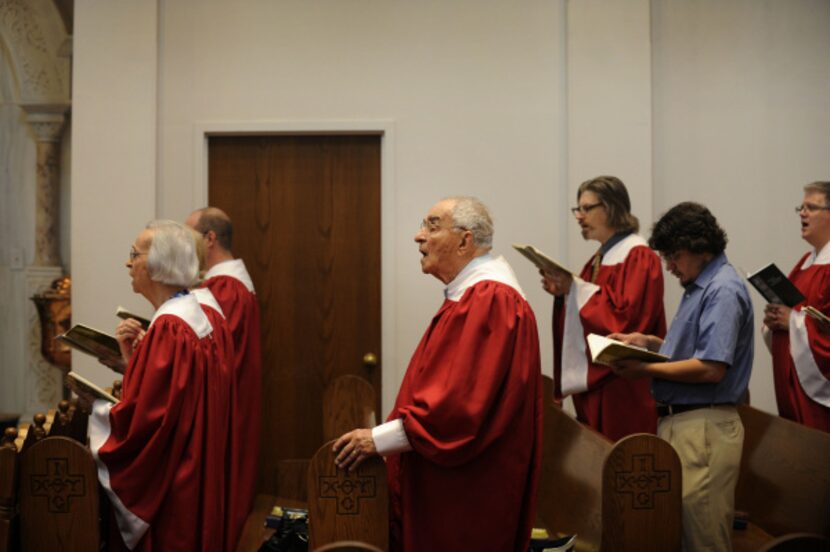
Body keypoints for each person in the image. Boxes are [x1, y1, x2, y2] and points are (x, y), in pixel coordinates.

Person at [332, 197, 543, 552]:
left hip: (467, 490)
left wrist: (379, 439)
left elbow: (458, 407)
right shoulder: (474, 296)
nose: (419, 237)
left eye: (432, 226)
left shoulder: (490, 299)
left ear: (465, 241)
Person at [69, 220, 232, 551]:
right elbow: (172, 402)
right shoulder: (192, 316)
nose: (128, 263)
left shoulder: (171, 328)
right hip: (194, 468)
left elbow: (147, 424)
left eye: (134, 254)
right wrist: (134, 363)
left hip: (173, 486)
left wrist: (99, 412)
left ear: (160, 264)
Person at [608, 202, 753, 552]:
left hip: (704, 427)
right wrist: (648, 343)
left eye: (674, 256)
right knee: (682, 533)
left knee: (702, 538)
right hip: (686, 426)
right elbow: (694, 352)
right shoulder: (700, 286)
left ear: (699, 247)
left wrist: (643, 369)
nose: (669, 266)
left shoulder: (722, 290)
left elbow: (711, 367)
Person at [541, 176, 664, 440]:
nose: (579, 216)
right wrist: (564, 294)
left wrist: (574, 290)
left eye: (587, 208)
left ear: (610, 208)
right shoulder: (598, 259)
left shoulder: (639, 256)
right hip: (600, 385)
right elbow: (588, 309)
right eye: (578, 209)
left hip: (624, 388)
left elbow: (627, 323)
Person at [185, 206, 261, 551]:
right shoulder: (224, 284)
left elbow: (208, 353)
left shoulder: (225, 288)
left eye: (190, 236)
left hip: (225, 406)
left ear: (209, 238)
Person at [764, 181, 830, 432]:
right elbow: (792, 312)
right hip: (791, 385)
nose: (802, 213)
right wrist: (773, 321)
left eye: (811, 207)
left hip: (819, 403)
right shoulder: (805, 262)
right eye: (800, 208)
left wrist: (791, 321)